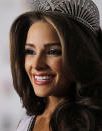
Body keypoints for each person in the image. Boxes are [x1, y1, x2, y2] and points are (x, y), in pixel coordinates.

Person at [9, 0, 102, 130]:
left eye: (53, 51)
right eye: (30, 51)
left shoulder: (95, 124)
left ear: (80, 56)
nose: (36, 64)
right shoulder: (24, 125)